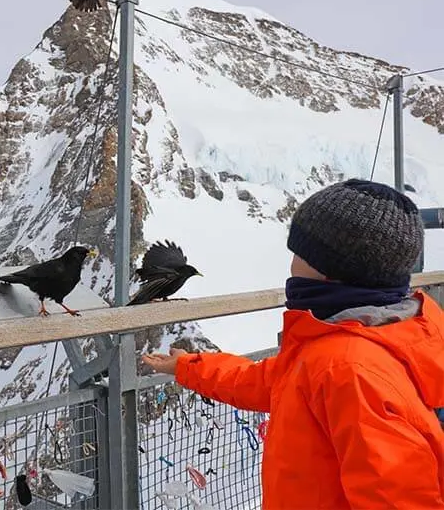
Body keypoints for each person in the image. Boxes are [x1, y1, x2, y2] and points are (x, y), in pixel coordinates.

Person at [144, 179, 444, 509]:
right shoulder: (347, 346)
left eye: (300, 254)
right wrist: (188, 366)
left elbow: (397, 498)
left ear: (332, 270)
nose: (290, 265)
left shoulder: (346, 368)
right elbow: (262, 381)